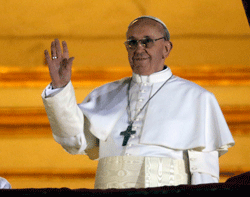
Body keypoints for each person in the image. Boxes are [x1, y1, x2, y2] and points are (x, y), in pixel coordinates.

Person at [42, 16, 235, 189]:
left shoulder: (197, 98)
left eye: (147, 42)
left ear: (166, 48)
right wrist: (61, 88)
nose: (138, 49)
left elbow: (204, 170)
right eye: (132, 43)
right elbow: (74, 140)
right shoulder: (105, 95)